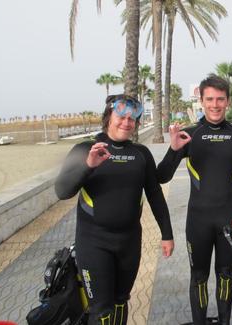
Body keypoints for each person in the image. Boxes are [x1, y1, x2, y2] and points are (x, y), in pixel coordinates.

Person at [55, 94, 174, 325]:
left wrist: (167, 234)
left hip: (129, 242)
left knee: (121, 301)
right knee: (101, 311)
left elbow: (155, 195)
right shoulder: (86, 148)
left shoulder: (141, 154)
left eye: (132, 119)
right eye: (121, 116)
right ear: (109, 116)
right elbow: (62, 191)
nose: (126, 122)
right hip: (93, 243)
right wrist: (88, 166)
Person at [156, 75, 232, 325]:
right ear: (201, 101)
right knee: (198, 277)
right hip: (198, 221)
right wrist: (173, 149)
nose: (215, 104)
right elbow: (161, 177)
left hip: (229, 220)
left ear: (228, 101)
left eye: (220, 99)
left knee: (225, 275)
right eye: (209, 99)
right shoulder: (189, 134)